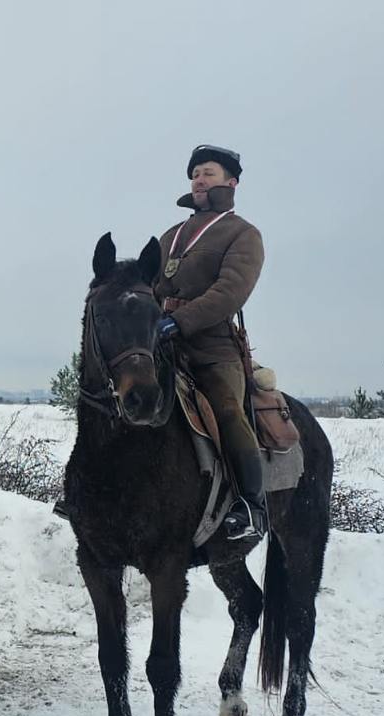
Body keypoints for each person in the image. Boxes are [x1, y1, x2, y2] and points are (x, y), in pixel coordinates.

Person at [153, 144, 268, 540]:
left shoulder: (243, 234)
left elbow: (230, 292)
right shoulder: (171, 235)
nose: (199, 180)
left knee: (226, 409)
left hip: (212, 347)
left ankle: (250, 505)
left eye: (209, 173)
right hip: (161, 345)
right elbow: (150, 284)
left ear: (231, 182)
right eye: (195, 173)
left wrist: (179, 321)